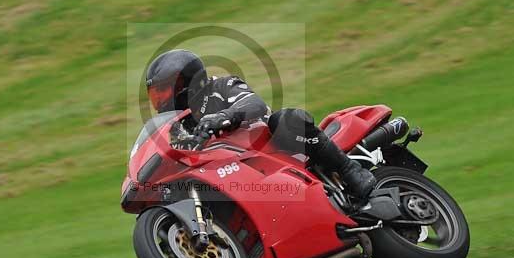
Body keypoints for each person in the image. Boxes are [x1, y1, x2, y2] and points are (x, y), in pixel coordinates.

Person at [145, 49, 377, 199]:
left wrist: (225, 116)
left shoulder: (221, 87)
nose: (160, 100)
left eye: (163, 91)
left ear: (187, 82)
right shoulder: (181, 124)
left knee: (285, 119)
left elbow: (254, 103)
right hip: (238, 175)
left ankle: (349, 169)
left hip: (278, 151)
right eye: (155, 95)